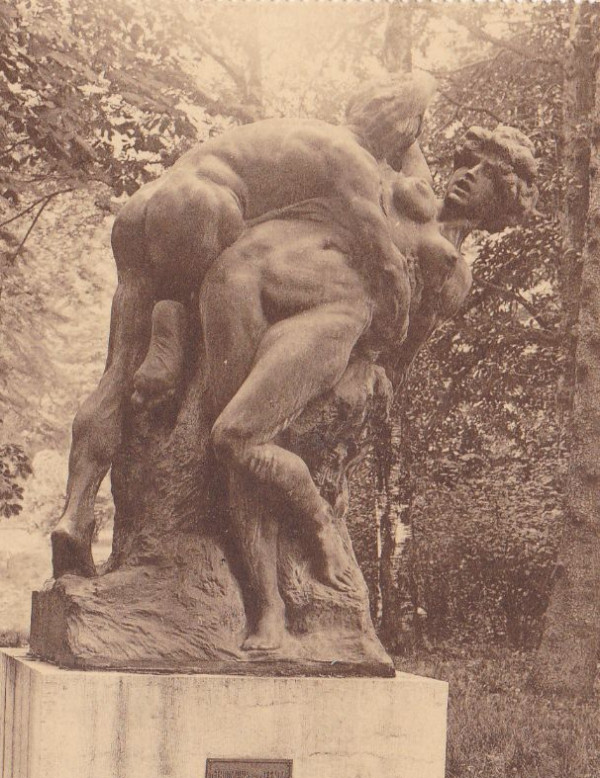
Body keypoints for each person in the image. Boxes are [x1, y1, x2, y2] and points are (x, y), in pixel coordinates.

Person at [51, 72, 437, 578]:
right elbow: (384, 256)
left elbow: (412, 170)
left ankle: (74, 515)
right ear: (402, 130)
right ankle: (173, 320)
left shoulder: (304, 132)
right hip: (203, 207)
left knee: (117, 371)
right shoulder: (353, 159)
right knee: (203, 293)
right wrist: (395, 331)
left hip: (147, 206)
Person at [198, 124, 537, 650]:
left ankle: (316, 530)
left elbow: (400, 349)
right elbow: (395, 114)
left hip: (335, 321)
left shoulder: (454, 270)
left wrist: (367, 384)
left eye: (490, 175)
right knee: (227, 452)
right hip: (254, 284)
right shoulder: (413, 183)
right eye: (472, 161)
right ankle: (268, 608)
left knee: (235, 438)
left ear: (501, 204)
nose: (470, 175)